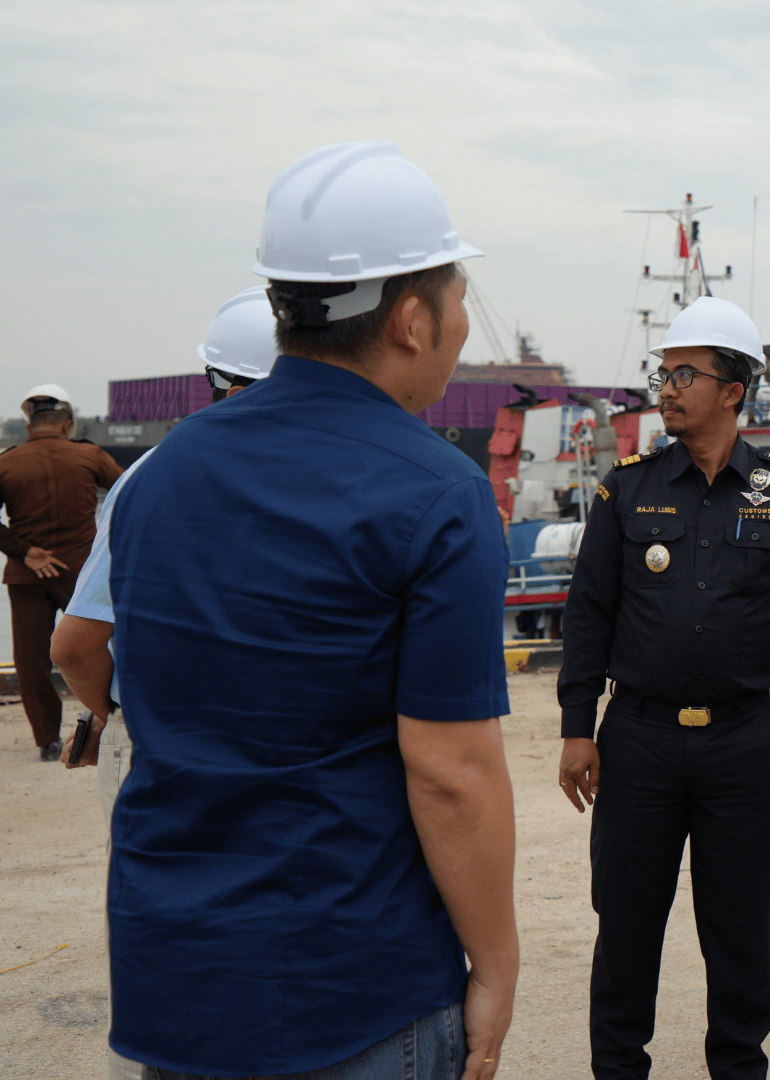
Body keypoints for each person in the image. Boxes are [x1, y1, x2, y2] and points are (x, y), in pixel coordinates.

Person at [101, 142, 517, 1079]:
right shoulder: (437, 493)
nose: (462, 324)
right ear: (412, 318)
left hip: (177, 972)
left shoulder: (155, 481)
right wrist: (495, 963)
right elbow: (451, 771)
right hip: (353, 984)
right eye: (455, 298)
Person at [556, 295, 770, 1080]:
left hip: (743, 743)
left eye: (687, 373)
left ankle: (739, 1070)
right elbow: (589, 612)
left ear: (734, 389)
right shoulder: (626, 488)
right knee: (626, 927)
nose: (668, 386)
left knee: (740, 930)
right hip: (638, 741)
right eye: (663, 371)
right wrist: (577, 727)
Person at [51, 285, 277, 1080]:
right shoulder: (365, 472)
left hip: (166, 744)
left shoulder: (151, 477)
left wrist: (108, 708)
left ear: (212, 374)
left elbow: (76, 643)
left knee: (167, 944)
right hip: (316, 754)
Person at [0, 384, 122, 760]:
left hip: (26, 577)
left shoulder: (7, 463)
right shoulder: (90, 455)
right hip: (82, 575)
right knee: (101, 645)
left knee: (31, 660)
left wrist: (25, 551)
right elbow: (130, 494)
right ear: (67, 424)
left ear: (28, 425)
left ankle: (47, 742)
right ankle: (107, 717)